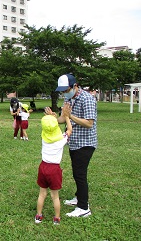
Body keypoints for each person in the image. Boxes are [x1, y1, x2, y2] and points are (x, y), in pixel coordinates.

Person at [47, 73, 97, 217]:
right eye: (62, 91)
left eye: (66, 89)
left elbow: (89, 123)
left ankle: (84, 207)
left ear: (75, 86)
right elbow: (63, 118)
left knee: (80, 174)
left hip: (85, 143)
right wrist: (53, 118)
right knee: (76, 172)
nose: (64, 93)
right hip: (73, 141)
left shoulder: (87, 98)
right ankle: (79, 197)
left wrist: (70, 116)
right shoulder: (68, 99)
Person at [35, 112, 72, 225]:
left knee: (42, 194)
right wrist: (66, 117)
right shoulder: (61, 141)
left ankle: (38, 216)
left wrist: (53, 119)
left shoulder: (43, 137)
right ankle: (56, 218)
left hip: (43, 167)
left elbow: (50, 129)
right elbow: (69, 130)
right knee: (55, 196)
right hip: (54, 169)